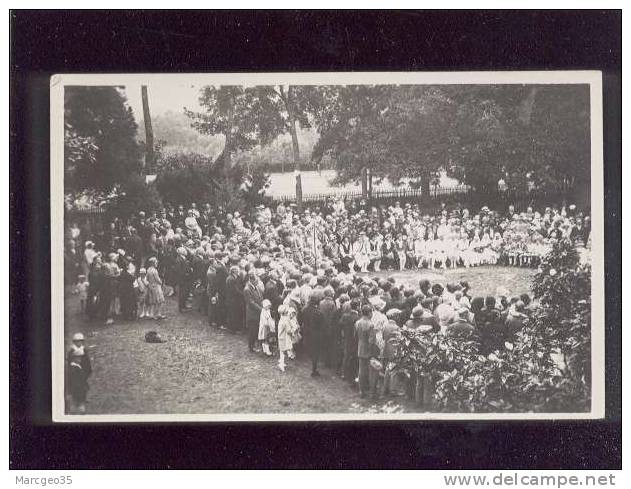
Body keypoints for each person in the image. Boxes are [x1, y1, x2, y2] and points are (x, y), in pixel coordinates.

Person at [66, 332, 92, 414]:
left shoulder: (84, 349)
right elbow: (70, 361)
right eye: (77, 341)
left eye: (80, 341)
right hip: (75, 369)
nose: (79, 343)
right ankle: (77, 402)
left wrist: (88, 370)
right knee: (76, 386)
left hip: (83, 369)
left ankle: (83, 399)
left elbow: (87, 361)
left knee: (83, 383)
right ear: (74, 342)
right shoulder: (71, 351)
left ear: (82, 341)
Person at [301, 294, 326, 377]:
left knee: (311, 350)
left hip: (307, 332)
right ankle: (314, 369)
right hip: (316, 334)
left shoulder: (304, 309)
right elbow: (322, 325)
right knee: (316, 352)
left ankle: (313, 366)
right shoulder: (318, 313)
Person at [355, 304, 375, 398]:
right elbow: (371, 341)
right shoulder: (370, 324)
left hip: (360, 347)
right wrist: (372, 351)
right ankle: (372, 392)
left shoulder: (358, 322)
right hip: (368, 349)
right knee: (371, 372)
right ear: (369, 313)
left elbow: (355, 335)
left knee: (361, 371)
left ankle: (361, 391)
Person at [243, 270, 265, 352]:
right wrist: (261, 309)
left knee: (256, 329)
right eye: (256, 281)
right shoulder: (247, 289)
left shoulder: (256, 287)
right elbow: (251, 303)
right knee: (252, 330)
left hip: (258, 311)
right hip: (252, 313)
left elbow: (260, 297)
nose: (257, 282)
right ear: (251, 280)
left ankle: (255, 344)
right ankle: (251, 346)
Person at [174, 247, 192, 313]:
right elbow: (179, 270)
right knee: (182, 293)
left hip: (185, 278)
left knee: (184, 293)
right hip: (182, 279)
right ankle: (181, 307)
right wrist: (186, 274)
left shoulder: (182, 259)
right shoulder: (179, 260)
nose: (186, 252)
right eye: (184, 251)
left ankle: (183, 305)